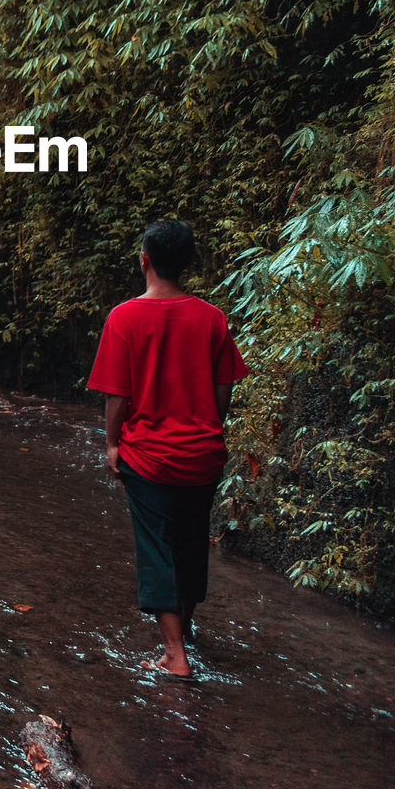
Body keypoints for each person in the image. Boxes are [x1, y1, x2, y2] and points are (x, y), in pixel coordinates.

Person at [87, 219, 248, 678]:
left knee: (156, 547)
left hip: (149, 456)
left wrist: (112, 444)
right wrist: (208, 429)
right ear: (188, 264)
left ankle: (175, 656)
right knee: (191, 541)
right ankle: (185, 631)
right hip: (202, 454)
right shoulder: (212, 318)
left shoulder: (124, 318)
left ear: (144, 260)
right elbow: (223, 390)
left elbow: (116, 394)